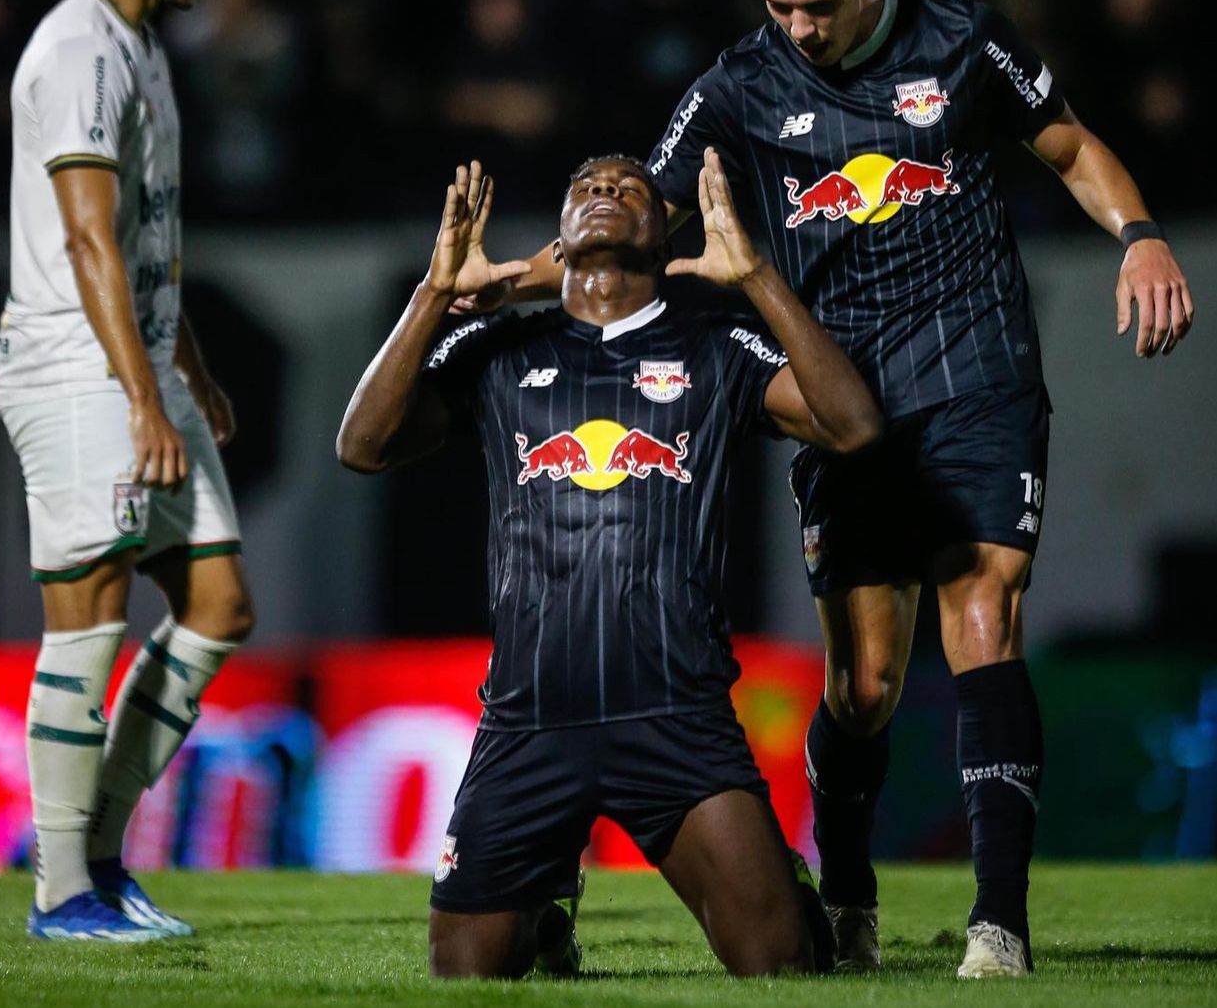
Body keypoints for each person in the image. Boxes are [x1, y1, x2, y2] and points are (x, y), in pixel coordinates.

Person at [471, 0, 1195, 978]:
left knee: (985, 608)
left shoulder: (965, 39)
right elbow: (631, 222)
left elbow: (1069, 144)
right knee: (864, 686)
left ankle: (999, 921)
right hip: (841, 406)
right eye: (781, 8)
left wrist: (1139, 231)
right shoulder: (739, 86)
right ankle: (849, 886)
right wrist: (510, 279)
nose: (801, 28)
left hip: (977, 373)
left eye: (819, 3)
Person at [337, 152, 882, 979]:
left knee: (782, 968)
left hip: (676, 714)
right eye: (584, 186)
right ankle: (545, 917)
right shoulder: (497, 347)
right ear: (557, 234)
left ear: (664, 230)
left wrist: (758, 277)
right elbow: (362, 445)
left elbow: (853, 427)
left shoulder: (715, 345)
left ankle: (788, 896)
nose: (602, 192)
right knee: (464, 979)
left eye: (628, 187)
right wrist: (433, 295)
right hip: (528, 718)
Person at [0, 0, 256, 941]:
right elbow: (89, 235)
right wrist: (146, 398)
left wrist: (184, 367)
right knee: (90, 612)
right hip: (75, 363)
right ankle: (60, 889)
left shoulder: (139, 46)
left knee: (218, 603)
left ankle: (99, 851)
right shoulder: (78, 48)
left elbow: (146, 240)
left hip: (141, 361)